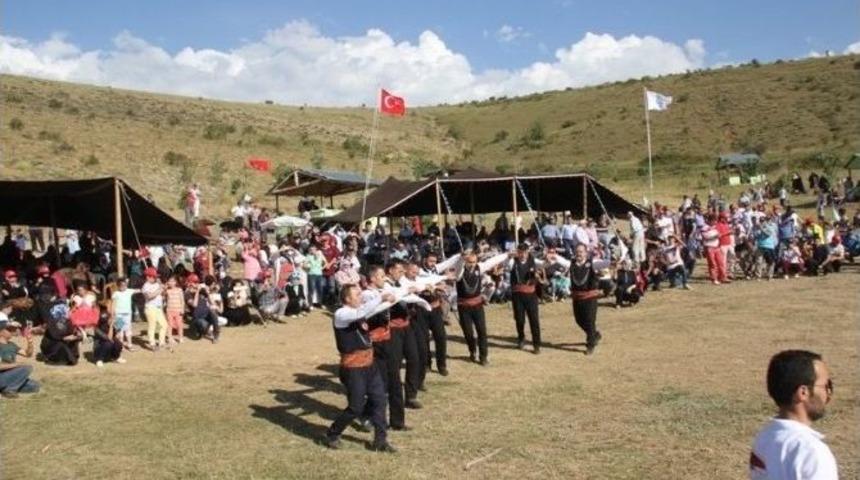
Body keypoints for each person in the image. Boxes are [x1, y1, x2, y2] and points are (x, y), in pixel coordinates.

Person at [323, 284, 396, 453]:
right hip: (353, 367)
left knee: (380, 399)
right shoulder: (341, 314)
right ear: (347, 299)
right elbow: (361, 312)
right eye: (357, 294)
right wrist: (381, 297)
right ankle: (333, 433)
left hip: (370, 364)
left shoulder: (359, 312)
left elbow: (375, 309)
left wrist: (395, 297)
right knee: (355, 407)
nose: (361, 297)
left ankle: (380, 440)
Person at [749, 350, 837, 479]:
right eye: (825, 386)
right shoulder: (811, 452)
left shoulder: (765, 437)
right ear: (803, 392)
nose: (828, 393)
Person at [453, 250, 509, 365]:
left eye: (474, 262)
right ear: (466, 261)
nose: (472, 264)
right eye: (470, 262)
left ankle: (483, 356)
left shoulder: (479, 267)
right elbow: (458, 268)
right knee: (468, 332)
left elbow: (492, 261)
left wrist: (507, 255)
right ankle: (472, 350)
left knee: (482, 331)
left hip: (477, 305)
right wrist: (461, 258)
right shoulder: (460, 271)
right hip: (464, 306)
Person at [554, 244, 610, 355]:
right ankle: (594, 334)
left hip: (590, 297)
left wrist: (611, 260)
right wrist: (553, 256)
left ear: (585, 253)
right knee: (579, 320)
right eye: (577, 251)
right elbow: (561, 261)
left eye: (581, 251)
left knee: (590, 320)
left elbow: (606, 263)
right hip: (577, 297)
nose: (579, 254)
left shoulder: (592, 263)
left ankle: (590, 344)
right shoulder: (572, 263)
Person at [509, 244, 542, 353]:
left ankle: (536, 344)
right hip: (518, 295)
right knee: (519, 319)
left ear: (528, 252)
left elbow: (544, 264)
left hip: (531, 294)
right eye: (520, 252)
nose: (523, 255)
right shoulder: (513, 262)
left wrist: (548, 259)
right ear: (517, 252)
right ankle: (521, 338)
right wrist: (508, 255)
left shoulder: (533, 261)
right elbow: (506, 263)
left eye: (525, 252)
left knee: (534, 320)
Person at [0, 308, 40, 398]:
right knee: (26, 368)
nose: (13, 331)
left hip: (10, 374)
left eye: (13, 329)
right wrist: (17, 365)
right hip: (2, 375)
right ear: (1, 332)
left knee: (34, 386)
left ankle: (7, 387)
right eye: (9, 330)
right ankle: (9, 390)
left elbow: (27, 354)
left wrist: (30, 343)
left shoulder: (11, 345)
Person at [140, 267, 168, 351]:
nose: (156, 278)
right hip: (150, 308)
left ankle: (161, 342)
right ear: (148, 277)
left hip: (158, 308)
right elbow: (149, 296)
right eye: (154, 277)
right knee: (152, 326)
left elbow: (163, 295)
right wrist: (160, 289)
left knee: (164, 325)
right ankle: (152, 344)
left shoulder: (157, 284)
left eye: (156, 277)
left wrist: (164, 289)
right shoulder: (145, 286)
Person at [110, 277, 136, 350]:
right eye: (121, 286)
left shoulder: (129, 291)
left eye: (125, 285)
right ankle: (121, 345)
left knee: (128, 329)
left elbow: (139, 290)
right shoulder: (116, 294)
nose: (123, 287)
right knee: (119, 330)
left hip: (127, 314)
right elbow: (113, 304)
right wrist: (112, 314)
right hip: (118, 314)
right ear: (118, 286)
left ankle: (129, 344)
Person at [164, 276, 186, 344]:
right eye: (169, 281)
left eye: (172, 281)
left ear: (175, 282)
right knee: (170, 324)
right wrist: (164, 288)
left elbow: (182, 300)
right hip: (169, 310)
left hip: (178, 310)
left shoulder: (179, 290)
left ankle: (180, 337)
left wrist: (182, 309)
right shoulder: (167, 291)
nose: (171, 283)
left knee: (179, 324)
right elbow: (163, 296)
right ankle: (170, 338)